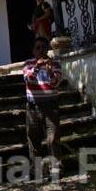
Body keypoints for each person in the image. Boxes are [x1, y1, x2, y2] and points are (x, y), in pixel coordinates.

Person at [22, 36, 62, 178]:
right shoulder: (28, 64)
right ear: (33, 50)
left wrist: (50, 71)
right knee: (34, 139)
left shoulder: (55, 64)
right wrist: (38, 67)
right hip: (33, 107)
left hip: (51, 105)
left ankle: (56, 169)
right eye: (37, 48)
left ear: (47, 49)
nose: (40, 50)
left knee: (53, 139)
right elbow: (29, 79)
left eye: (43, 47)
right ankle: (36, 170)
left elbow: (56, 83)